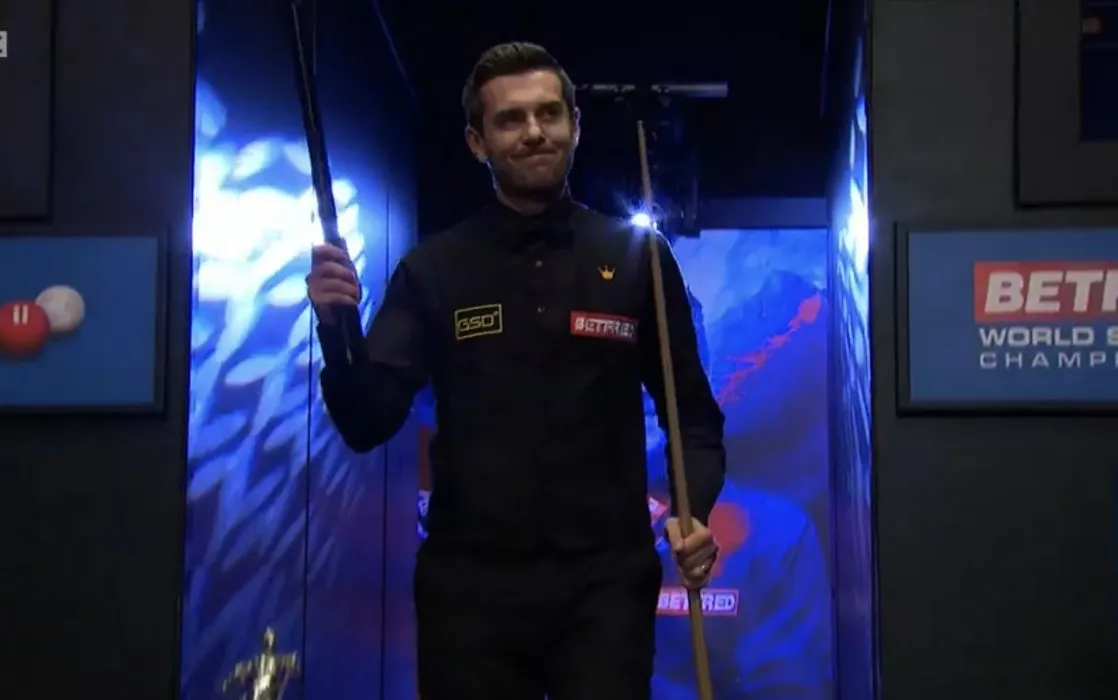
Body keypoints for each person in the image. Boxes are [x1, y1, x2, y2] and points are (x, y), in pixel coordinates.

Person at [307, 42, 726, 700]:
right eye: (510, 119)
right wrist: (337, 327)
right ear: (477, 142)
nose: (534, 131)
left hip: (606, 585)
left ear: (574, 126)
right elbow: (367, 421)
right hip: (469, 590)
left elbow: (693, 417)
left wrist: (693, 511)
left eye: (549, 113)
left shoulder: (638, 258)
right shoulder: (434, 268)